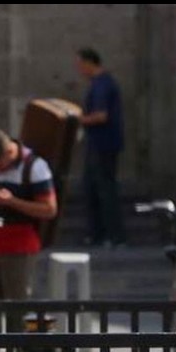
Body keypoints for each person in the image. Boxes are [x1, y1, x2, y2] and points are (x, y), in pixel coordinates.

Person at [0, 128, 57, 331]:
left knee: (18, 310)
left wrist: (13, 202)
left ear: (9, 152)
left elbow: (49, 209)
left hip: (18, 247)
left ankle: (19, 349)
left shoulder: (34, 167)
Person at [76, 47, 127, 248]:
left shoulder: (102, 85)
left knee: (105, 190)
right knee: (92, 188)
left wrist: (79, 120)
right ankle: (96, 234)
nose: (79, 70)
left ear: (89, 63)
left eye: (80, 65)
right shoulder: (100, 84)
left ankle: (115, 235)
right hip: (98, 144)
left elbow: (101, 115)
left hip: (103, 144)